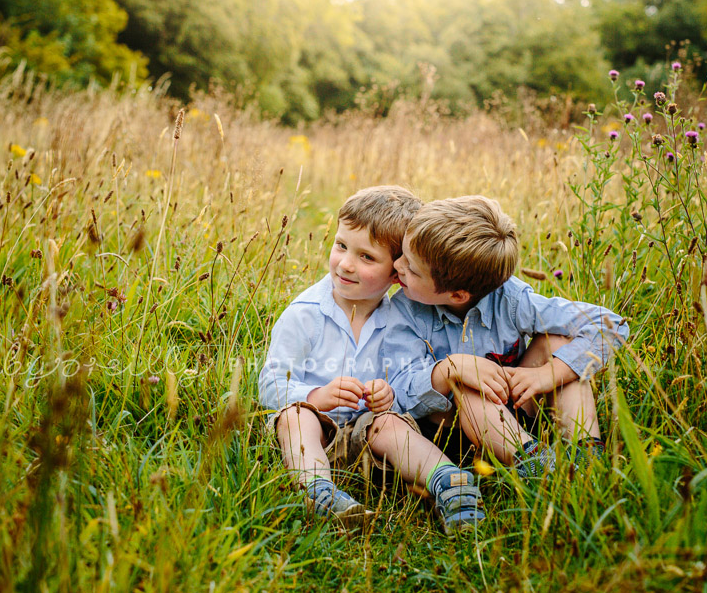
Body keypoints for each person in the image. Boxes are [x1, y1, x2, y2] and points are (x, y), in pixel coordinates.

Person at [258, 186, 485, 530]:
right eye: (341, 245)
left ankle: (451, 483)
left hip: (371, 440)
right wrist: (315, 398)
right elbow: (272, 382)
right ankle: (319, 492)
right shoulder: (305, 313)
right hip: (316, 436)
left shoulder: (400, 319)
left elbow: (408, 380)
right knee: (294, 417)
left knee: (392, 424)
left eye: (367, 257)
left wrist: (388, 395)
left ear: (397, 272)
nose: (346, 263)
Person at [385, 195, 629, 477]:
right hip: (453, 431)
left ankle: (586, 456)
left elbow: (612, 324)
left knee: (558, 342)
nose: (398, 265)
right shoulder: (404, 311)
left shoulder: (510, 299)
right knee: (468, 385)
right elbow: (398, 392)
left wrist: (548, 374)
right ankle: (536, 466)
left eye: (411, 268)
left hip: (515, 407)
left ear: (458, 295)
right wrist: (449, 369)